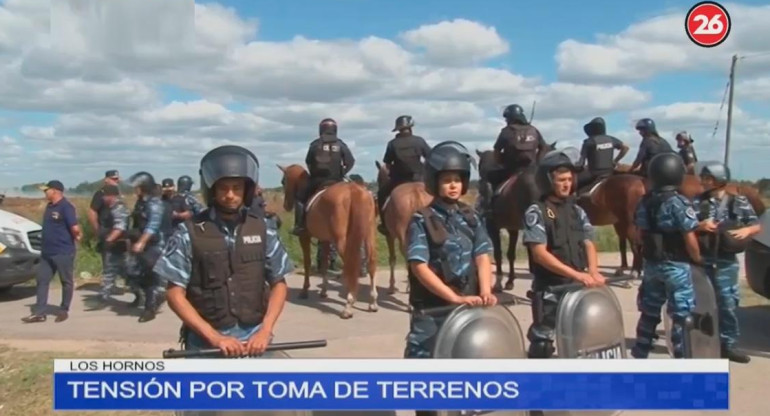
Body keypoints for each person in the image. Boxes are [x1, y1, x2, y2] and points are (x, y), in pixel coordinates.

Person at [154, 145, 292, 356]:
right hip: (206, 343)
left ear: (246, 190)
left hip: (256, 339)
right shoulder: (188, 232)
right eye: (223, 188)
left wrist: (265, 330)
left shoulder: (263, 228)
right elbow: (174, 293)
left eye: (237, 188)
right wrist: (214, 337)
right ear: (212, 189)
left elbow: (279, 284)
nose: (230, 195)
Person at [405, 141, 497, 366]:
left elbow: (483, 255)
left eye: (457, 180)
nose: (453, 186)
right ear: (434, 182)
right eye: (447, 181)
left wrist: (486, 290)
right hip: (433, 310)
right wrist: (453, 297)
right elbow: (419, 266)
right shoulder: (421, 219)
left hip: (469, 305)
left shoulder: (471, 217)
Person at [521, 148, 606, 358]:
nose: (567, 184)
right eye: (561, 180)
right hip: (551, 288)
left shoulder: (577, 211)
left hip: (577, 287)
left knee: (583, 340)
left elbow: (588, 242)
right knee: (543, 344)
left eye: (569, 179)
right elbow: (539, 254)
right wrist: (577, 275)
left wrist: (593, 272)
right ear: (548, 181)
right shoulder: (537, 211)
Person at [631, 153, 701, 359]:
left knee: (649, 312)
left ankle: (641, 352)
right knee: (682, 315)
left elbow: (638, 235)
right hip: (676, 266)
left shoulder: (645, 202)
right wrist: (697, 259)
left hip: (652, 265)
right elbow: (690, 237)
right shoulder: (679, 203)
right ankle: (682, 359)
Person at [694, 161, 759, 363]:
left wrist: (746, 230)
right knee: (703, 302)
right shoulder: (697, 202)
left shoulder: (737, 201)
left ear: (718, 180)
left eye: (707, 179)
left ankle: (728, 344)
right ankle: (705, 341)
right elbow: (685, 226)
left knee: (728, 302)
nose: (703, 182)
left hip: (726, 260)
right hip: (703, 259)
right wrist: (700, 225)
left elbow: (755, 224)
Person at [22, 180, 82, 323]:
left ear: (55, 191)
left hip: (63, 251)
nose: (44, 193)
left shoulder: (66, 207)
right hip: (47, 252)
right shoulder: (49, 207)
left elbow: (75, 228)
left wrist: (77, 237)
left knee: (66, 281)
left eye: (46, 190)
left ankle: (63, 310)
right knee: (42, 280)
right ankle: (40, 313)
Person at [292, 118, 355, 235]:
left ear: (321, 129)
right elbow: (350, 161)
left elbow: (308, 161)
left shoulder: (315, 144)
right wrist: (342, 173)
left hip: (318, 181)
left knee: (300, 199)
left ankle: (300, 225)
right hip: (337, 180)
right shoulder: (341, 144)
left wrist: (314, 173)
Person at [127, 171, 172, 322]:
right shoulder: (142, 202)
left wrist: (141, 242)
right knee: (137, 275)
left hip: (155, 245)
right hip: (143, 244)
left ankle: (150, 308)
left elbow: (152, 225)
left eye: (137, 186)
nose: (135, 190)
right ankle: (154, 297)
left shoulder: (155, 204)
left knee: (152, 278)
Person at [377, 115, 431, 234]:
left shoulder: (392, 144)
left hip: (399, 181)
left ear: (398, 129)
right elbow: (430, 157)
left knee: (381, 194)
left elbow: (387, 163)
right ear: (411, 127)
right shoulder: (419, 141)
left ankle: (384, 225)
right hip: (420, 178)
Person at [96, 184, 134, 304]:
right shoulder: (111, 207)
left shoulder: (119, 207)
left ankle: (142, 295)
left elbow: (120, 227)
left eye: (104, 196)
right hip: (113, 245)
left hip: (120, 245)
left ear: (111, 195)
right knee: (109, 270)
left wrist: (108, 241)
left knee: (127, 272)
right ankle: (104, 295)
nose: (103, 198)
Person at [576, 117, 629, 193]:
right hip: (609, 172)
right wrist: (615, 160)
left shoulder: (589, 141)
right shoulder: (611, 139)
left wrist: (576, 167)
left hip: (593, 174)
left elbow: (581, 163)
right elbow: (626, 147)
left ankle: (573, 201)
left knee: (572, 183)